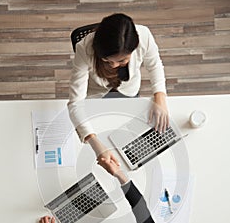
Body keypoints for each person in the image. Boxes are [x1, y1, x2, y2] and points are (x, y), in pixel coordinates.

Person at [67, 13, 169, 168]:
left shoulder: (144, 36)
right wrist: (95, 143)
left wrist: (160, 98)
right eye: (107, 60)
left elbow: (154, 65)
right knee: (101, 129)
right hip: (97, 94)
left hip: (129, 90)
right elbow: (75, 103)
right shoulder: (84, 48)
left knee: (128, 130)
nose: (114, 66)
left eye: (122, 61)